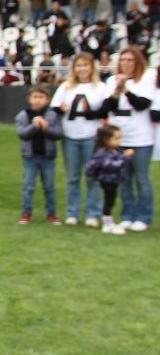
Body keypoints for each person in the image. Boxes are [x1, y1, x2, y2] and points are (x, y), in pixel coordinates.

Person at [98, 46, 156, 232]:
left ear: (137, 62)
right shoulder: (110, 81)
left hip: (141, 139)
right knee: (123, 178)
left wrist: (127, 90)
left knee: (142, 179)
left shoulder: (146, 81)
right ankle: (127, 214)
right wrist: (117, 90)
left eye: (131, 60)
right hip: (119, 139)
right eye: (123, 60)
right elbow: (107, 107)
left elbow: (142, 104)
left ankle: (144, 216)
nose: (126, 64)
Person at [50, 53, 109, 227]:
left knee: (92, 177)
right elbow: (55, 109)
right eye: (78, 65)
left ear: (92, 67)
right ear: (73, 68)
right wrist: (61, 109)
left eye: (85, 65)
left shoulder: (100, 87)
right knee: (73, 177)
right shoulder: (66, 87)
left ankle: (92, 213)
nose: (82, 69)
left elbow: (105, 110)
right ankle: (72, 212)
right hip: (70, 136)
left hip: (92, 136)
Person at [15, 85, 64, 225]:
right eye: (35, 97)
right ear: (29, 99)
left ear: (48, 100)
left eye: (41, 97)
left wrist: (46, 127)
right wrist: (34, 126)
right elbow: (22, 134)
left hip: (48, 157)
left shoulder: (52, 115)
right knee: (28, 185)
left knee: (49, 186)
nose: (38, 100)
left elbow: (58, 134)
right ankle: (26, 212)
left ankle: (51, 213)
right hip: (30, 157)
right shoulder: (23, 115)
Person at [86, 124, 133, 234]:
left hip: (113, 180)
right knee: (108, 201)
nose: (119, 141)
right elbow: (111, 165)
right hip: (107, 180)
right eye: (116, 139)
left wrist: (122, 157)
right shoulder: (102, 153)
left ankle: (109, 221)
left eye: (120, 138)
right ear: (106, 140)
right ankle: (107, 224)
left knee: (110, 201)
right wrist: (125, 158)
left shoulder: (113, 151)